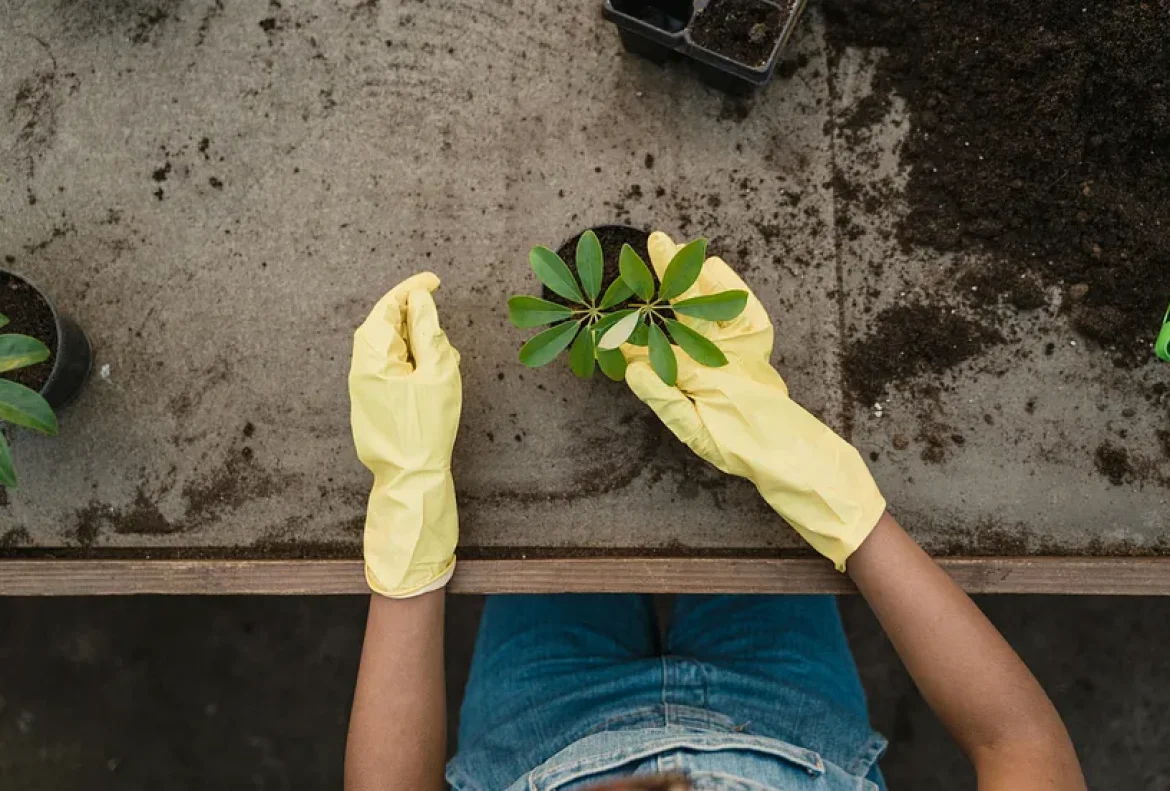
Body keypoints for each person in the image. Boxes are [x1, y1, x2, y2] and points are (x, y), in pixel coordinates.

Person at [343, 234, 1087, 791]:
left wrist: (409, 518)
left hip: (538, 730)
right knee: (744, 512)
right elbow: (1021, 747)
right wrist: (838, 502)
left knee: (550, 511)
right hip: (784, 711)